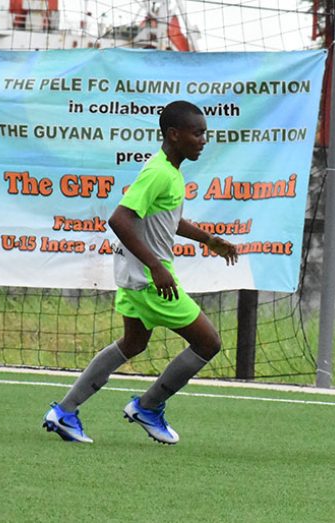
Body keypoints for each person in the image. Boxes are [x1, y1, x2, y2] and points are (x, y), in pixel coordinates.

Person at [43, 100, 238, 444]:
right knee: (208, 342)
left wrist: (209, 240)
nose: (203, 140)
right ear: (174, 135)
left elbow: (169, 220)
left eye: (205, 133)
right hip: (149, 281)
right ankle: (148, 407)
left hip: (134, 276)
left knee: (133, 343)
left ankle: (65, 411)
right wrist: (156, 267)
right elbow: (120, 219)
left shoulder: (168, 171)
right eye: (197, 133)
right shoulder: (160, 172)